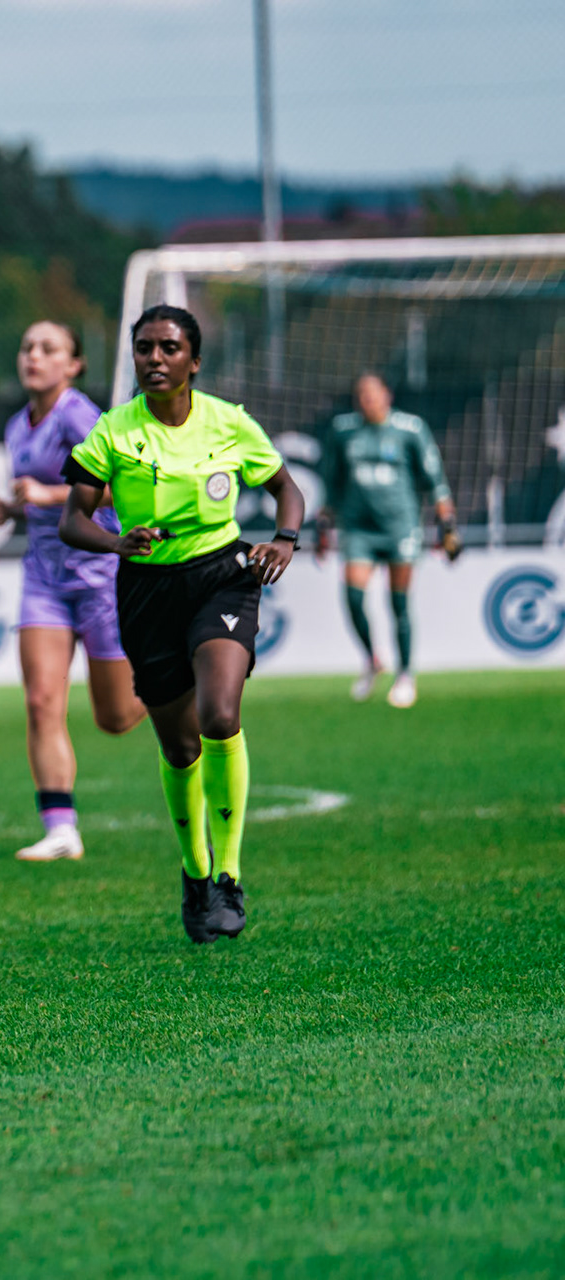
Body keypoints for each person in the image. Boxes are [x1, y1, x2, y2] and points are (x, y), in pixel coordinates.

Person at [59, 304, 304, 944]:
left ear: (194, 361)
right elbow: (73, 519)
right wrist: (117, 543)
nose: (155, 359)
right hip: (145, 590)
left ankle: (229, 875)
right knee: (179, 746)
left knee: (219, 714)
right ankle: (195, 874)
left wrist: (284, 539)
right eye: (144, 348)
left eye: (169, 348)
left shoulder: (229, 424)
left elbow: (287, 490)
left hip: (222, 574)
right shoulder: (113, 431)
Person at [0, 322, 146, 862]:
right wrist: (10, 510)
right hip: (44, 578)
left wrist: (48, 495)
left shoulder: (80, 416)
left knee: (116, 717)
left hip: (101, 573)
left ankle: (177, 679)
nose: (33, 355)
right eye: (27, 346)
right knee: (41, 701)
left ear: (74, 365)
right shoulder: (15, 426)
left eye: (48, 349)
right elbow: (39, 500)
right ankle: (61, 828)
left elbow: (119, 484)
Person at [315, 371, 459, 709]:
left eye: (373, 394)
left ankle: (406, 674)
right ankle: (372, 660)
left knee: (398, 603)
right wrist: (323, 526)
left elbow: (434, 478)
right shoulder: (343, 431)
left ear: (387, 396)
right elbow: (331, 482)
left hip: (401, 528)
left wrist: (448, 524)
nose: (368, 401)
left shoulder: (410, 429)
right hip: (358, 529)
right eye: (361, 395)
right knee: (352, 597)